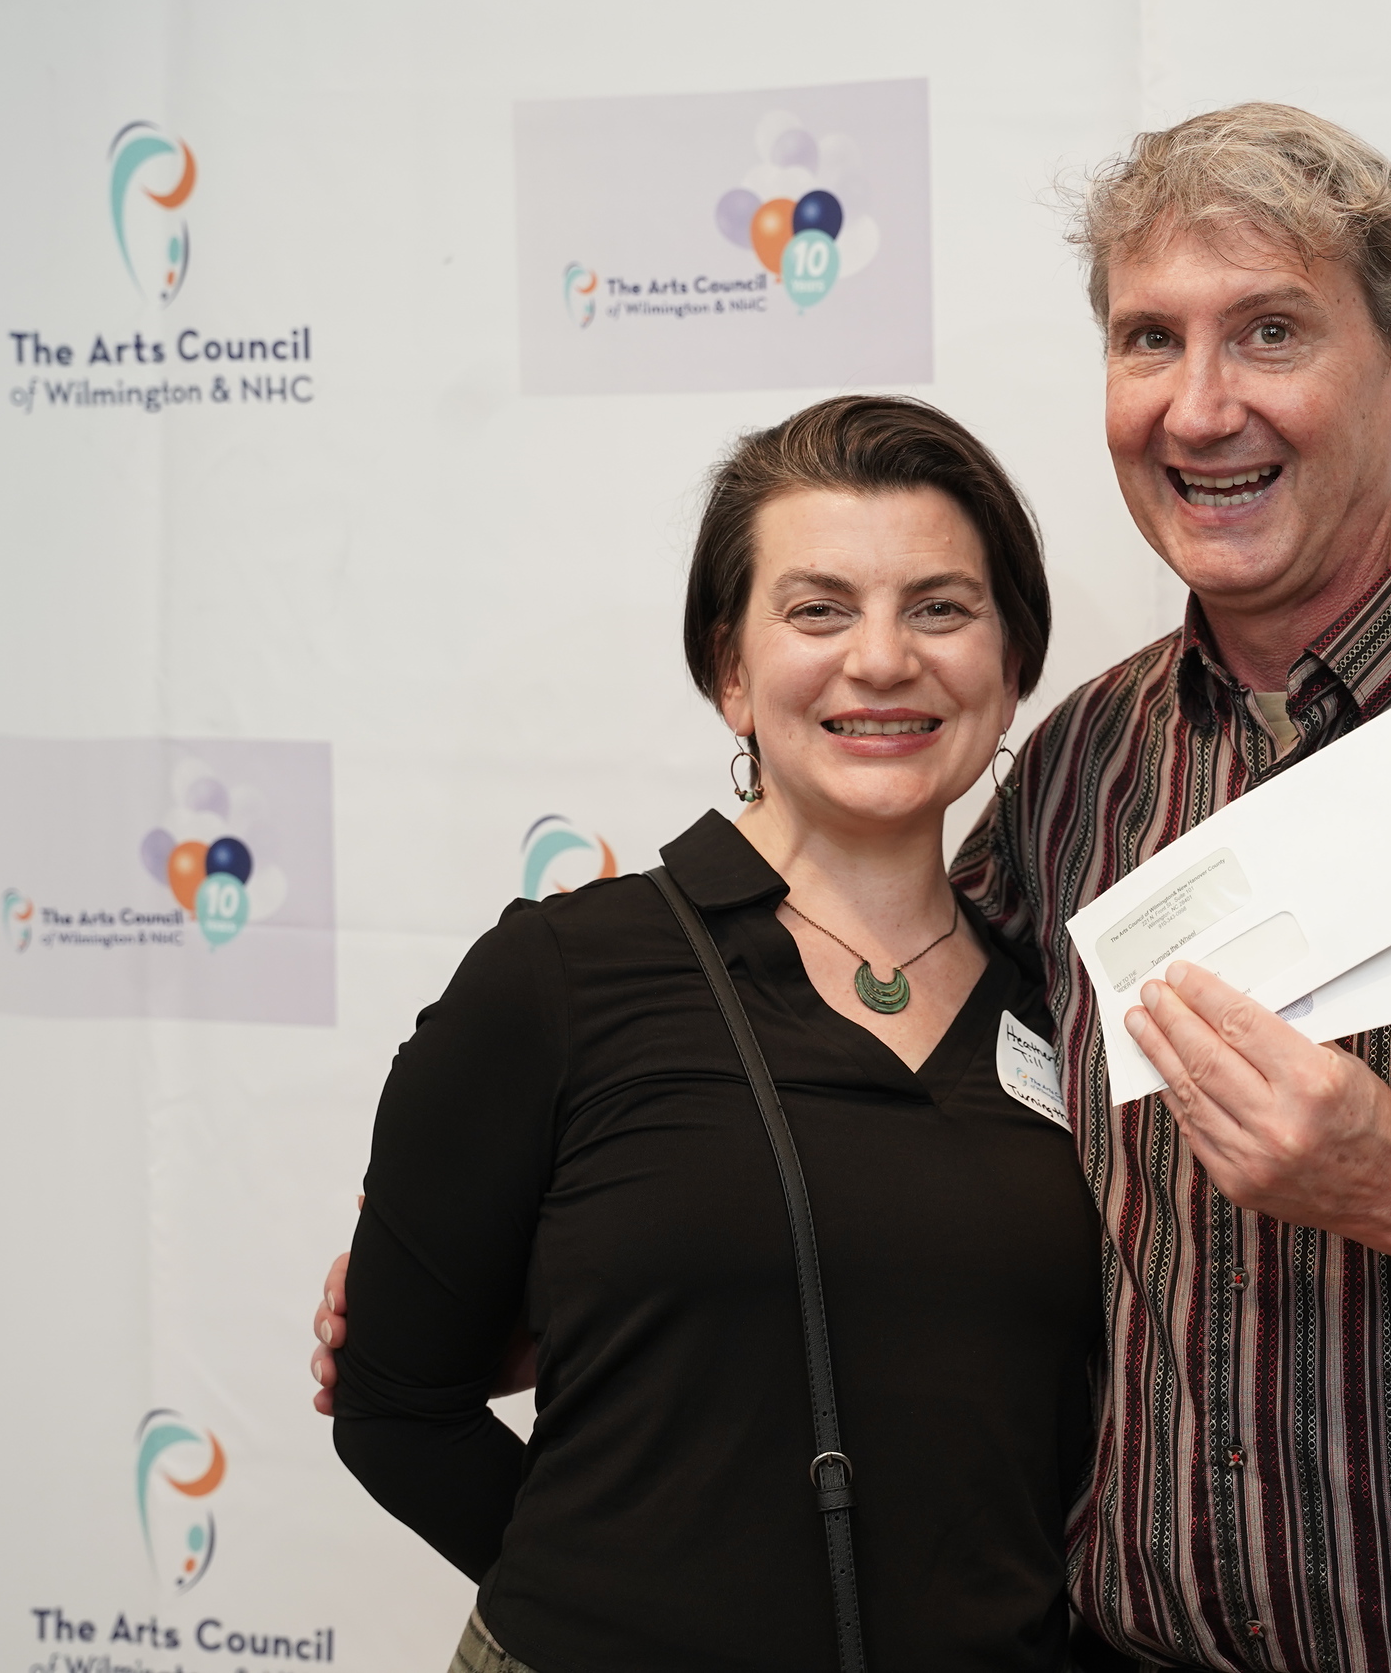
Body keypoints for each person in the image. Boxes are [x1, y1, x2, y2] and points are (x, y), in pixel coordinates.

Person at [321, 104, 1391, 1673]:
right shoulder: (1078, 775)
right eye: (1152, 339)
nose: (1201, 407)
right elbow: (909, 1137)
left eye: (1270, 331)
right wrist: (582, 1277)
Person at [326, 395, 1103, 1673]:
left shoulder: (1069, 1011)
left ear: (1013, 665)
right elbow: (392, 1408)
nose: (881, 660)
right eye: (818, 610)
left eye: (939, 608)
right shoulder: (562, 978)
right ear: (730, 673)